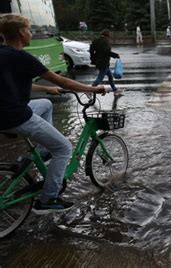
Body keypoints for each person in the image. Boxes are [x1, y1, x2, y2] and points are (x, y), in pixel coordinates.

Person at [0, 14, 105, 213]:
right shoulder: (22, 57)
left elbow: (16, 84)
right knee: (64, 148)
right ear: (22, 33)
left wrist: (46, 90)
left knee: (46, 104)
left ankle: (43, 151)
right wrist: (93, 89)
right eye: (29, 30)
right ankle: (48, 200)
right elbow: (63, 81)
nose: (31, 34)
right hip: (15, 116)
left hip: (3, 114)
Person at [90, 30, 122, 96]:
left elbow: (91, 50)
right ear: (107, 36)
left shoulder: (96, 40)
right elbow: (107, 52)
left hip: (98, 62)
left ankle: (115, 90)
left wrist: (93, 58)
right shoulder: (106, 41)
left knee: (110, 76)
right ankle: (89, 90)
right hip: (103, 62)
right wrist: (116, 55)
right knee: (100, 78)